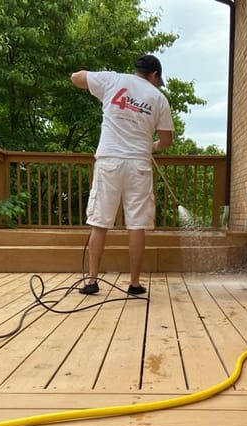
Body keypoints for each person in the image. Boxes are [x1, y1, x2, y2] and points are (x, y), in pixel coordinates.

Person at [70, 55, 174, 295]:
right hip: (138, 165)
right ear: (155, 75)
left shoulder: (112, 80)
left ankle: (92, 281)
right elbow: (166, 141)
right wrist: (152, 146)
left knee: (99, 223)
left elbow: (77, 78)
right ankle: (134, 284)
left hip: (109, 161)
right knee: (136, 225)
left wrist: (84, 75)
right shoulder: (159, 98)